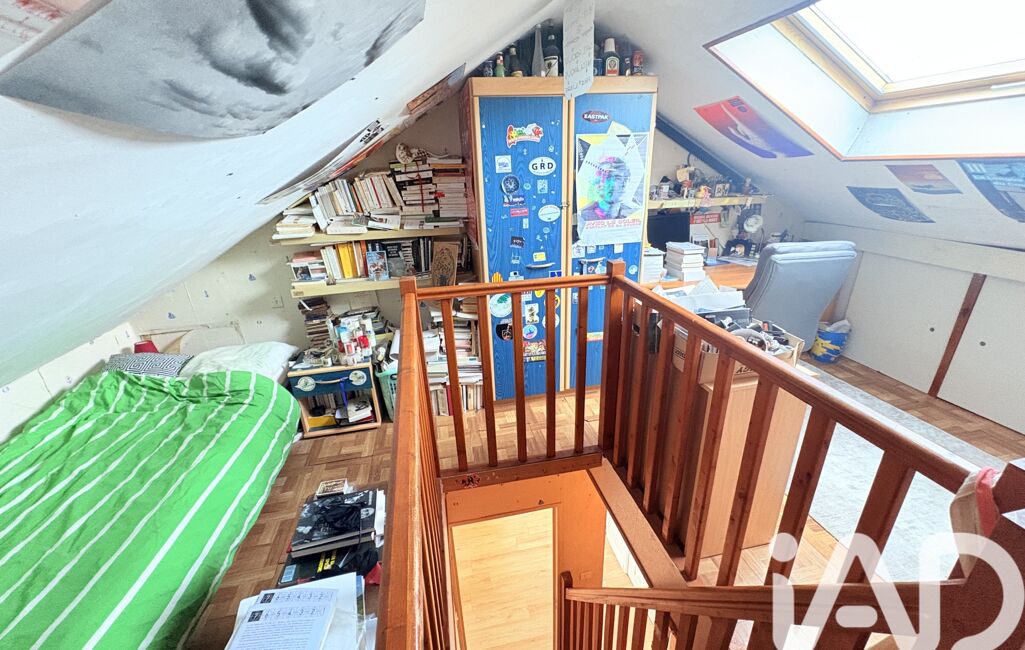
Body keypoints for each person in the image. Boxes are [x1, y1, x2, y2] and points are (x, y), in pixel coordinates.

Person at [579, 156, 630, 221]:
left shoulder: (631, 214)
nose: (611, 183)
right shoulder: (584, 216)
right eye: (608, 177)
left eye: (617, 178)